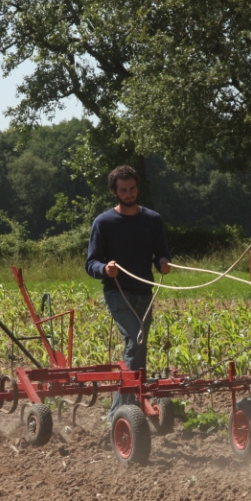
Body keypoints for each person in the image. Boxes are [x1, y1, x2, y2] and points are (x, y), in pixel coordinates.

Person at [86, 165, 171, 418]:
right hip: (117, 293)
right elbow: (91, 263)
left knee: (139, 346)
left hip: (145, 291)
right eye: (124, 190)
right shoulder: (103, 222)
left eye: (132, 189)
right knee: (136, 340)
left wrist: (163, 263)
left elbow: (161, 254)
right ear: (115, 192)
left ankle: (132, 404)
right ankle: (121, 412)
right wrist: (105, 268)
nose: (130, 194)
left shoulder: (152, 219)